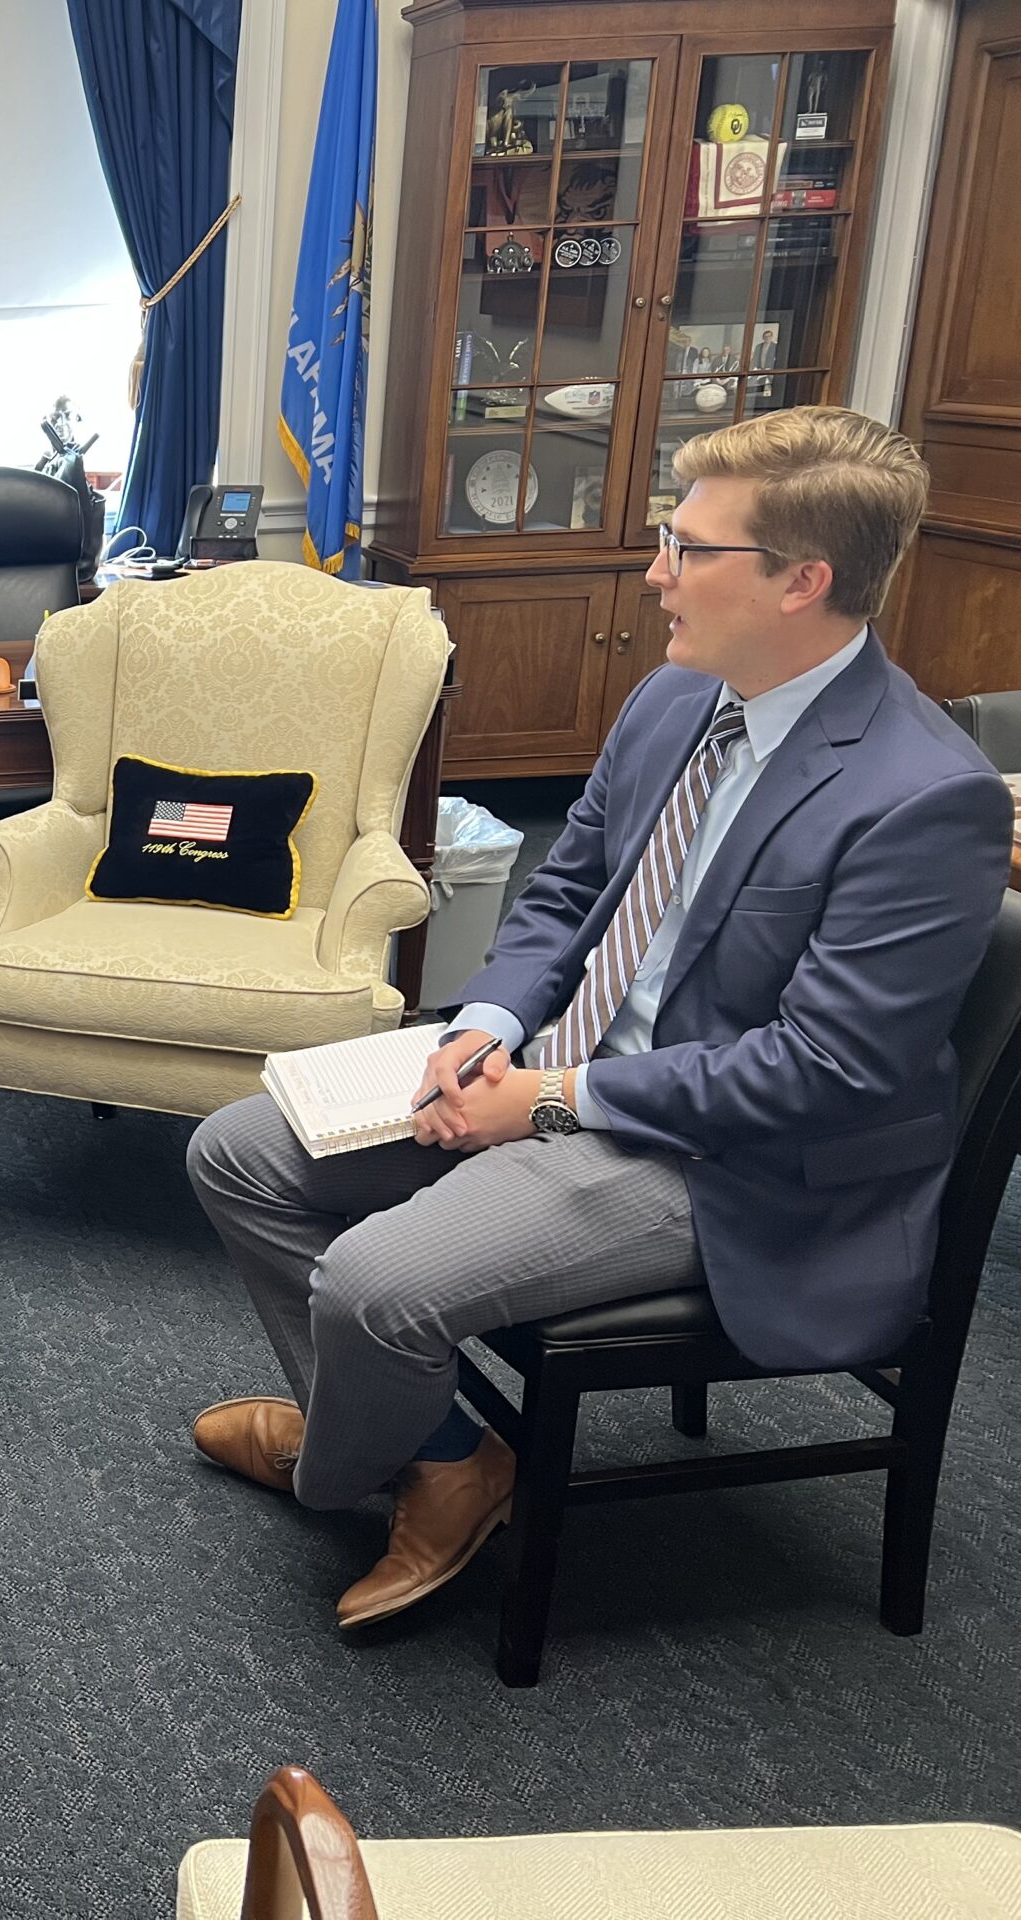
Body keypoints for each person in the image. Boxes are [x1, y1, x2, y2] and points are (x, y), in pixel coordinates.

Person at [183, 408, 1013, 1631]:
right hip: (558, 1071)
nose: (654, 573)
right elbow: (567, 890)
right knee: (235, 1152)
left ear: (801, 582)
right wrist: (486, 1024)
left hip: (727, 1160)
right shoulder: (675, 698)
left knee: (370, 1284)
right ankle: (442, 1450)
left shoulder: (926, 797)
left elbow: (823, 1069)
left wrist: (551, 1101)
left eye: (687, 547)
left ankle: (349, 1461)